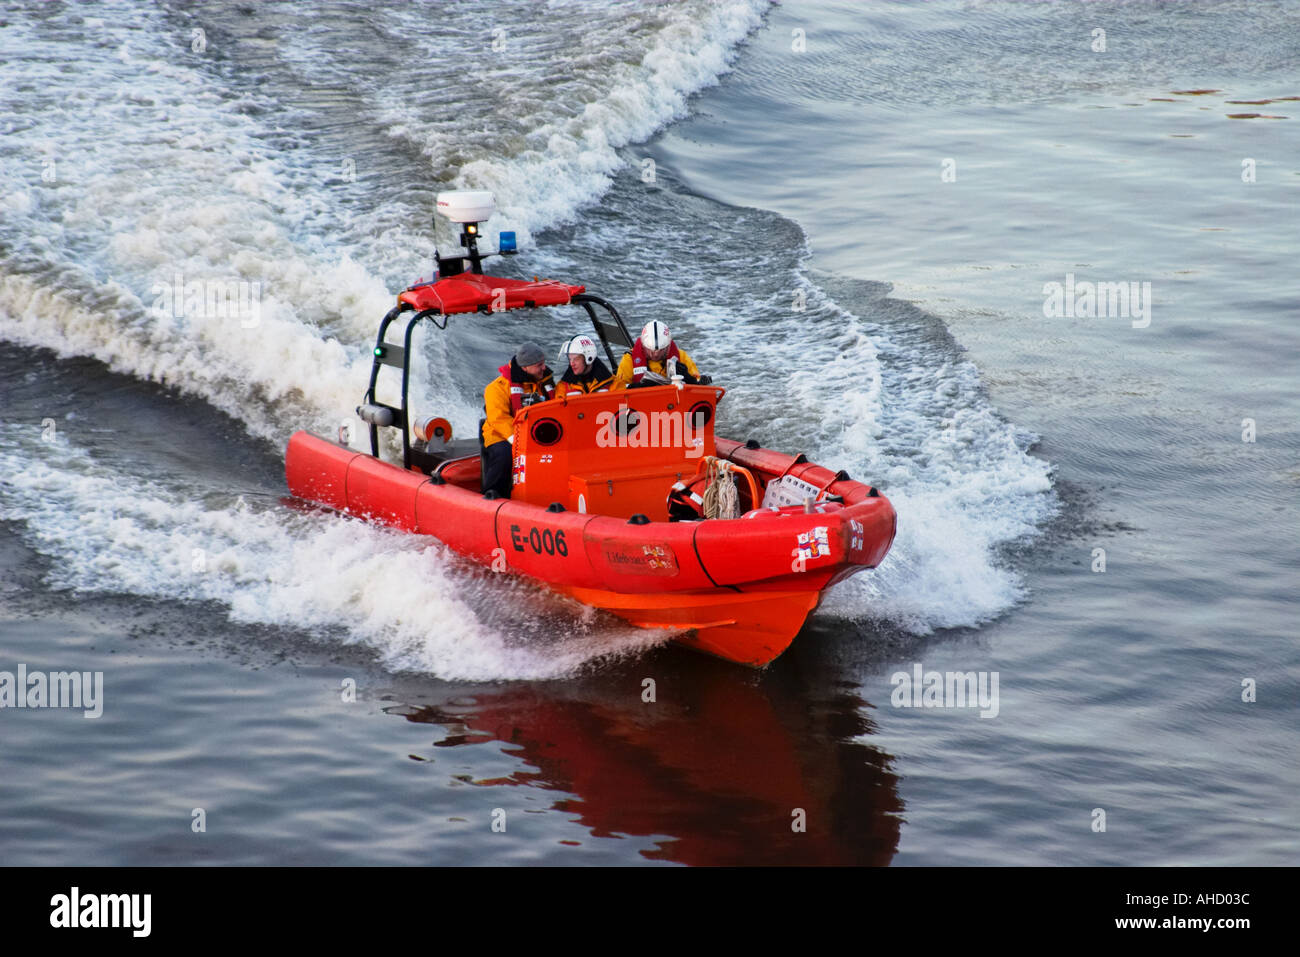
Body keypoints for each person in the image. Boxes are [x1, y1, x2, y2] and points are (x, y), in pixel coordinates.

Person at [481, 342, 554, 498]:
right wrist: (517, 439)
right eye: (539, 365)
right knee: (505, 455)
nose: (543, 368)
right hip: (501, 435)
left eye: (543, 363)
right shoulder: (496, 388)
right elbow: (498, 418)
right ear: (525, 368)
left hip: (536, 433)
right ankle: (491, 494)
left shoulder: (544, 382)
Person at [613, 320, 710, 389]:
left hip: (675, 409)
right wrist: (638, 386)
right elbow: (618, 389)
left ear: (668, 346)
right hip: (642, 409)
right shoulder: (629, 359)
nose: (655, 355)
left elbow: (701, 387)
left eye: (661, 350)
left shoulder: (681, 356)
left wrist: (688, 378)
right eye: (650, 350)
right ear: (643, 345)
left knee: (700, 415)